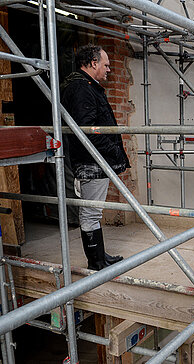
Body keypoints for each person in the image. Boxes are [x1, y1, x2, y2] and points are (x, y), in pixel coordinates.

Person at [60, 44, 130, 270]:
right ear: (93, 63)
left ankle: (100, 257)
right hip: (92, 161)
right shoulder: (82, 88)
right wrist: (113, 149)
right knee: (90, 213)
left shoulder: (85, 85)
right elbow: (87, 130)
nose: (108, 69)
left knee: (93, 212)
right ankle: (96, 262)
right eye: (106, 65)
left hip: (95, 160)